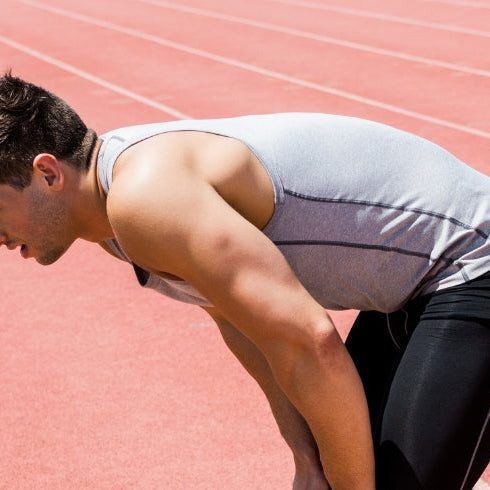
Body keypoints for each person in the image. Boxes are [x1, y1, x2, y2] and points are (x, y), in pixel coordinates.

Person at [0, 72, 489, 490]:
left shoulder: (145, 199)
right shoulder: (110, 212)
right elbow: (248, 331)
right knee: (343, 457)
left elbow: (311, 340)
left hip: (471, 259)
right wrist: (306, 458)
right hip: (417, 282)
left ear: (47, 172)